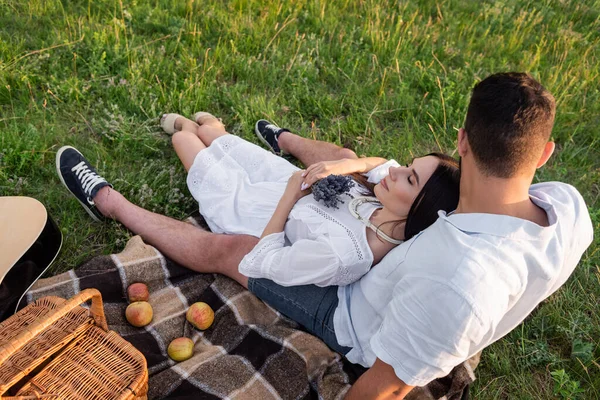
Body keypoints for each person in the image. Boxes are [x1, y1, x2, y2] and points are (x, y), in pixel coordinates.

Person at [56, 72, 593, 399]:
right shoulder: (568, 210)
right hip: (404, 272)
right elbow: (392, 175)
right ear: (544, 155)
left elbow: (387, 387)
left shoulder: (457, 282)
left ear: (464, 142)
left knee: (234, 250)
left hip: (345, 313)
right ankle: (273, 137)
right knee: (348, 164)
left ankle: (107, 199)